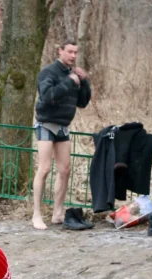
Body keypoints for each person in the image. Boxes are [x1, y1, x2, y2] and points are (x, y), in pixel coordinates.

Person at [33, 41, 92, 231]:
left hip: (63, 126)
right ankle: (36, 214)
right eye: (69, 52)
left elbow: (82, 102)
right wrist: (70, 82)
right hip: (46, 123)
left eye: (76, 52)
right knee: (44, 169)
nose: (73, 56)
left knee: (65, 169)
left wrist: (84, 82)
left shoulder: (72, 74)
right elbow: (47, 96)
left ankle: (58, 213)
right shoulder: (49, 72)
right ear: (60, 51)